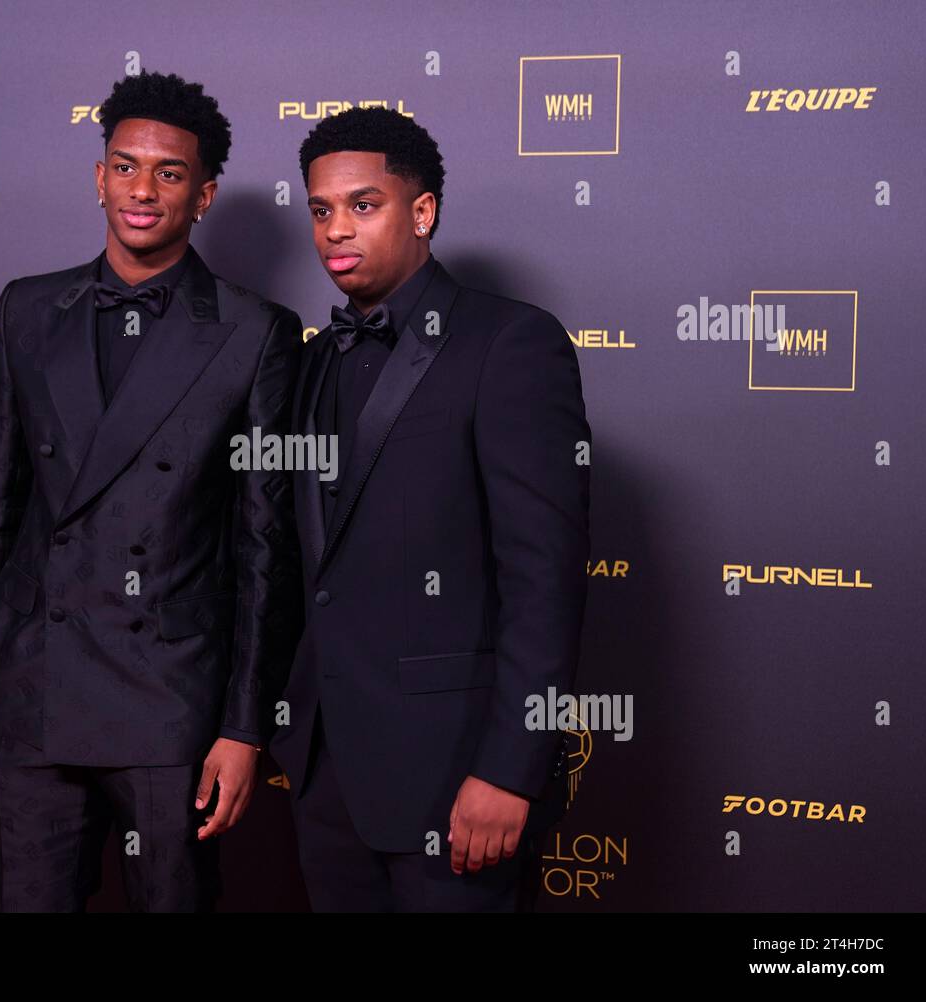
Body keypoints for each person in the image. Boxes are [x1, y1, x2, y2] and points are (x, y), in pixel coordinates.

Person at [0, 69, 303, 912]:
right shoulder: (25, 310)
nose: (142, 190)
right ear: (98, 176)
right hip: (34, 696)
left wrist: (242, 723)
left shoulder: (254, 332)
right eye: (125, 166)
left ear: (205, 194)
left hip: (169, 702)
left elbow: (264, 544)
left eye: (168, 172)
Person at [269, 106, 590, 912]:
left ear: (423, 211)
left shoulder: (510, 344)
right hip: (326, 777)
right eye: (320, 211)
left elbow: (543, 579)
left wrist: (509, 769)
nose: (337, 230)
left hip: (458, 783)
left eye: (363, 205)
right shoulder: (310, 365)